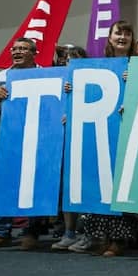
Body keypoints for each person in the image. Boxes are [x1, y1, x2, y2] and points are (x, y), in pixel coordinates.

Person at [70, 20, 138, 257]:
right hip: (101, 132)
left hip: (127, 131)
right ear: (109, 38)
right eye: (118, 33)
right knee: (100, 182)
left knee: (122, 183)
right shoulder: (97, 67)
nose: (123, 37)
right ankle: (100, 236)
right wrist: (73, 91)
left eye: (127, 34)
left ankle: (120, 239)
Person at [0, 38, 44, 250]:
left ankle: (31, 233)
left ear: (34, 53)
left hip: (38, 136)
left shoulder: (45, 74)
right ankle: (1, 232)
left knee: (36, 183)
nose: (16, 52)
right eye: (14, 49)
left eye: (23, 49)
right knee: (3, 183)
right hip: (7, 136)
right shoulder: (2, 76)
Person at [51, 44, 88, 251]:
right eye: (64, 57)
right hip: (61, 140)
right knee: (67, 187)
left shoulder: (92, 78)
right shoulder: (54, 79)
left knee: (83, 186)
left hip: (84, 139)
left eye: (73, 57)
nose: (67, 60)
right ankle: (69, 231)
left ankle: (84, 232)